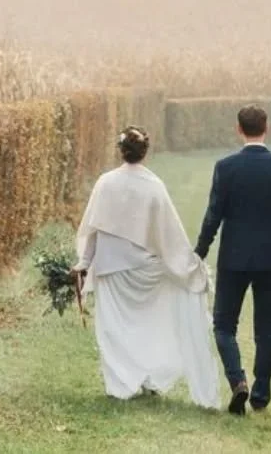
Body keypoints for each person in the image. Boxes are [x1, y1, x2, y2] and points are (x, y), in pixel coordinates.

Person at [72, 126, 220, 409]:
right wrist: (188, 267)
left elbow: (93, 229)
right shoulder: (154, 185)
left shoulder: (105, 183)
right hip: (142, 267)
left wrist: (84, 263)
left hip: (110, 266)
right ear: (145, 153)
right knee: (144, 322)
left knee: (114, 327)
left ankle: (121, 382)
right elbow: (169, 234)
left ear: (120, 150)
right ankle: (144, 377)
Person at [194, 104, 271, 416]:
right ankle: (261, 393)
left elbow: (213, 215)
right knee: (266, 329)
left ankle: (237, 381)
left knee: (223, 325)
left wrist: (200, 252)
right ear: (266, 128)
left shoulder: (226, 167)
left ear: (239, 129)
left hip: (233, 258)